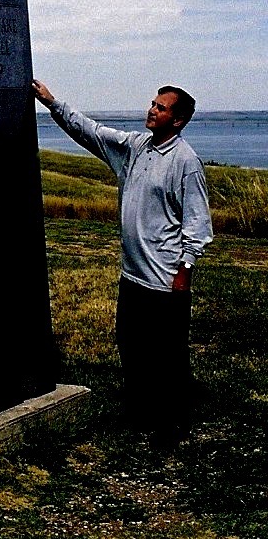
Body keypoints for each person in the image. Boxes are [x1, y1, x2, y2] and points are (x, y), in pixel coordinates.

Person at [32, 79, 213, 449]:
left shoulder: (186, 162)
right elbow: (92, 132)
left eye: (161, 108)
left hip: (165, 280)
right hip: (133, 275)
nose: (152, 110)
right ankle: (141, 414)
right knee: (132, 346)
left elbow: (197, 223)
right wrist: (52, 103)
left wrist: (184, 270)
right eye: (153, 103)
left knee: (168, 356)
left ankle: (173, 425)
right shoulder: (135, 147)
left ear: (177, 121)